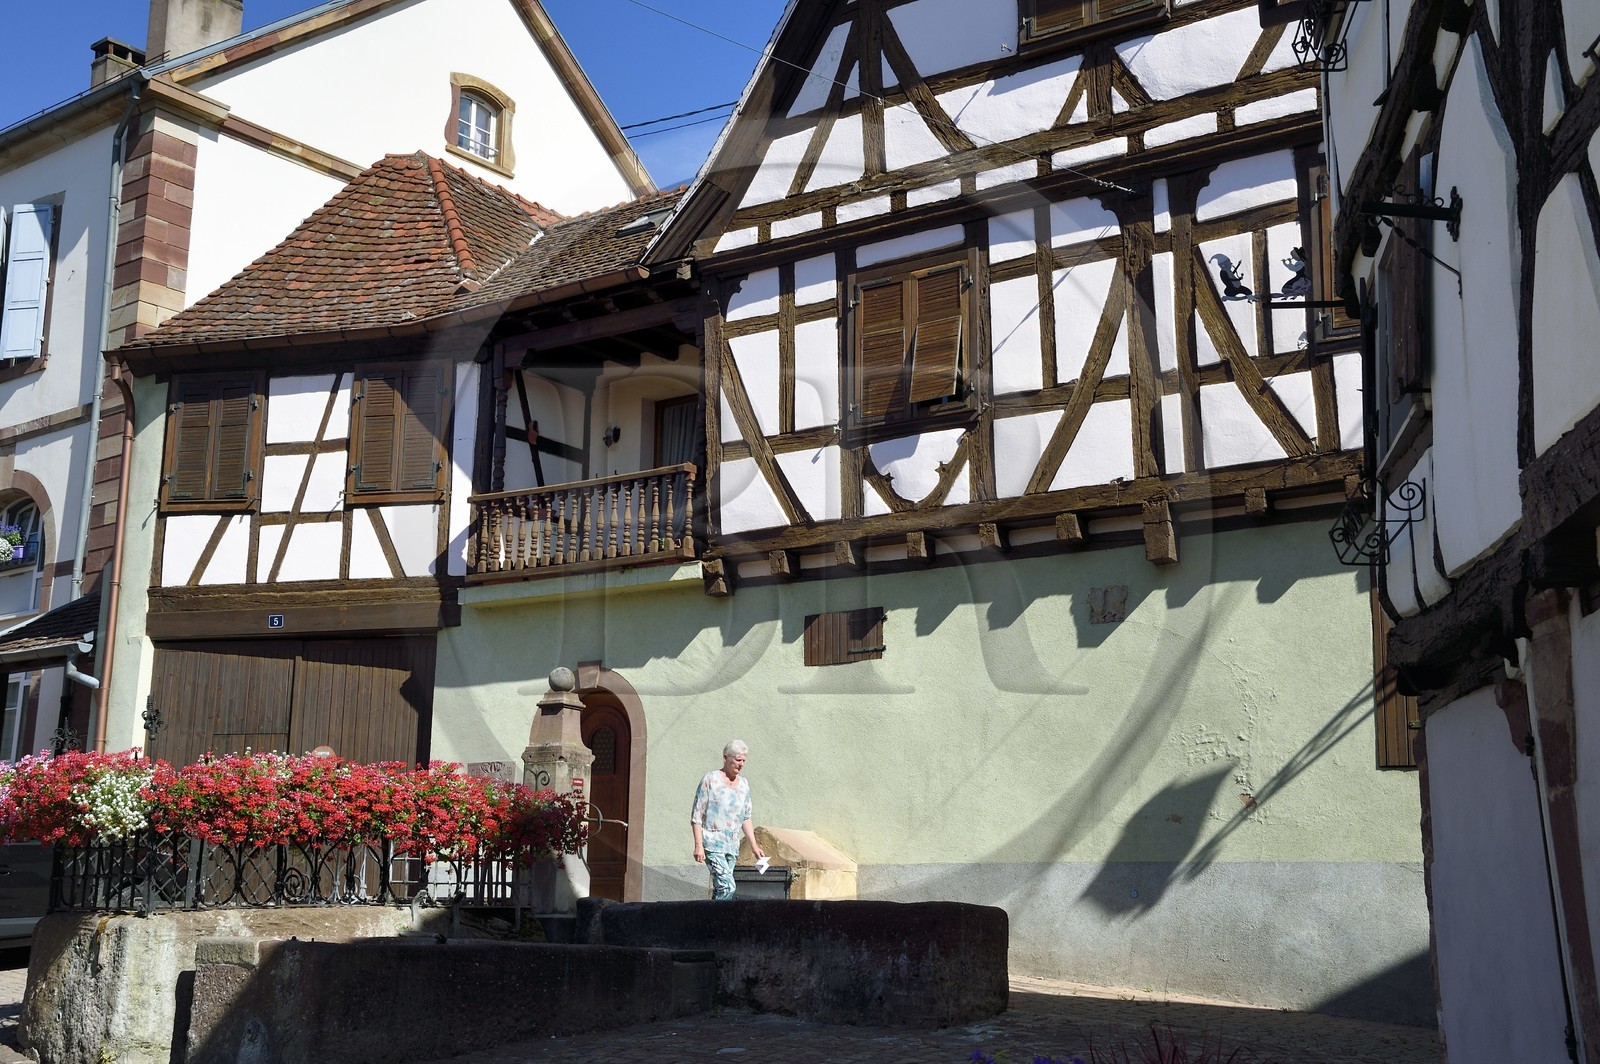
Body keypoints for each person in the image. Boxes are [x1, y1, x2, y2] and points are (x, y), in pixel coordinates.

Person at [691, 739, 766, 901]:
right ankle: (719, 923)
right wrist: (698, 846)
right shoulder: (710, 780)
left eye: (744, 761)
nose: (741, 764)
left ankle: (711, 923)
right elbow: (697, 816)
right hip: (712, 843)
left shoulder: (744, 785)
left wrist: (754, 846)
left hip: (732, 846)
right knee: (728, 886)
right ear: (726, 758)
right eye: (738, 760)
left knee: (721, 890)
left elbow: (745, 817)